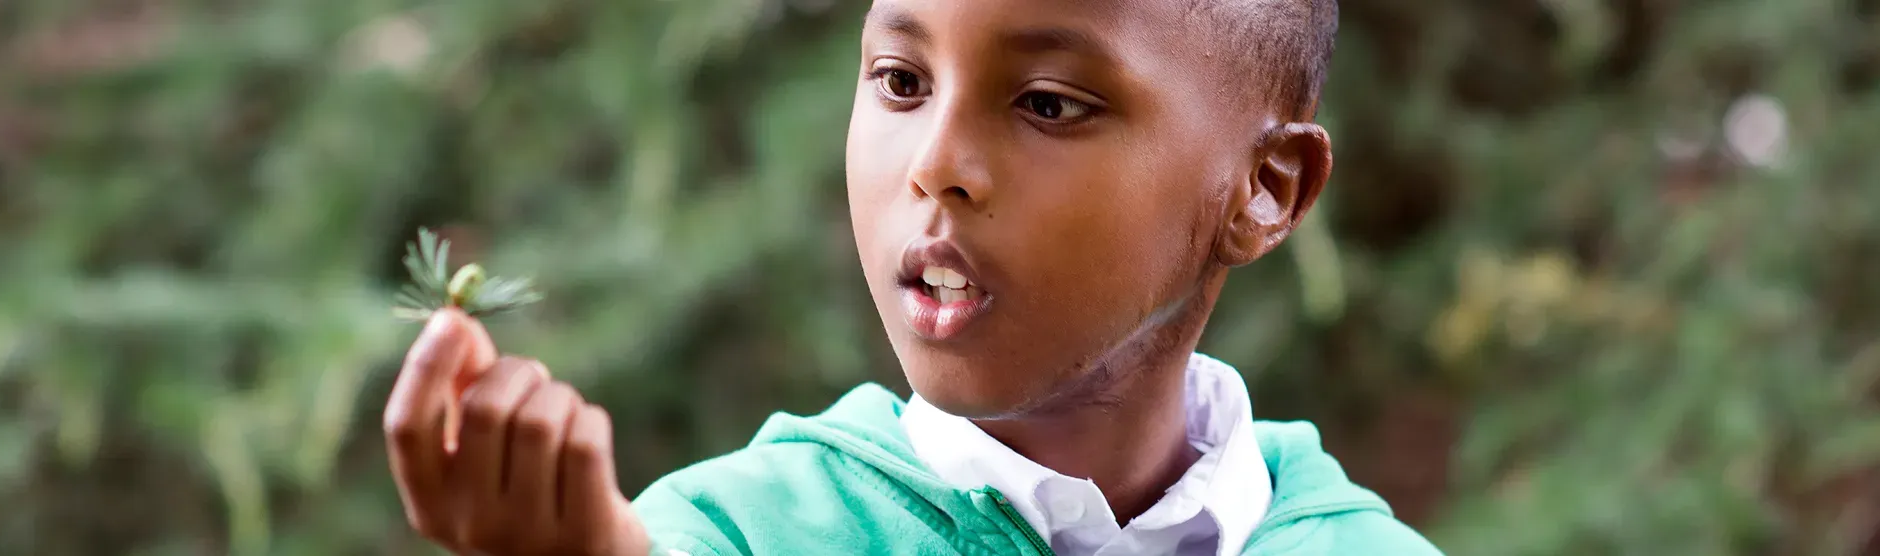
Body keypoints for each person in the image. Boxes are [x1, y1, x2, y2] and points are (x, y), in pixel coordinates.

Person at [380, 0, 1439, 553]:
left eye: (1048, 104)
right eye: (900, 80)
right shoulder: (739, 534)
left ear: (1265, 188)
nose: (933, 163)